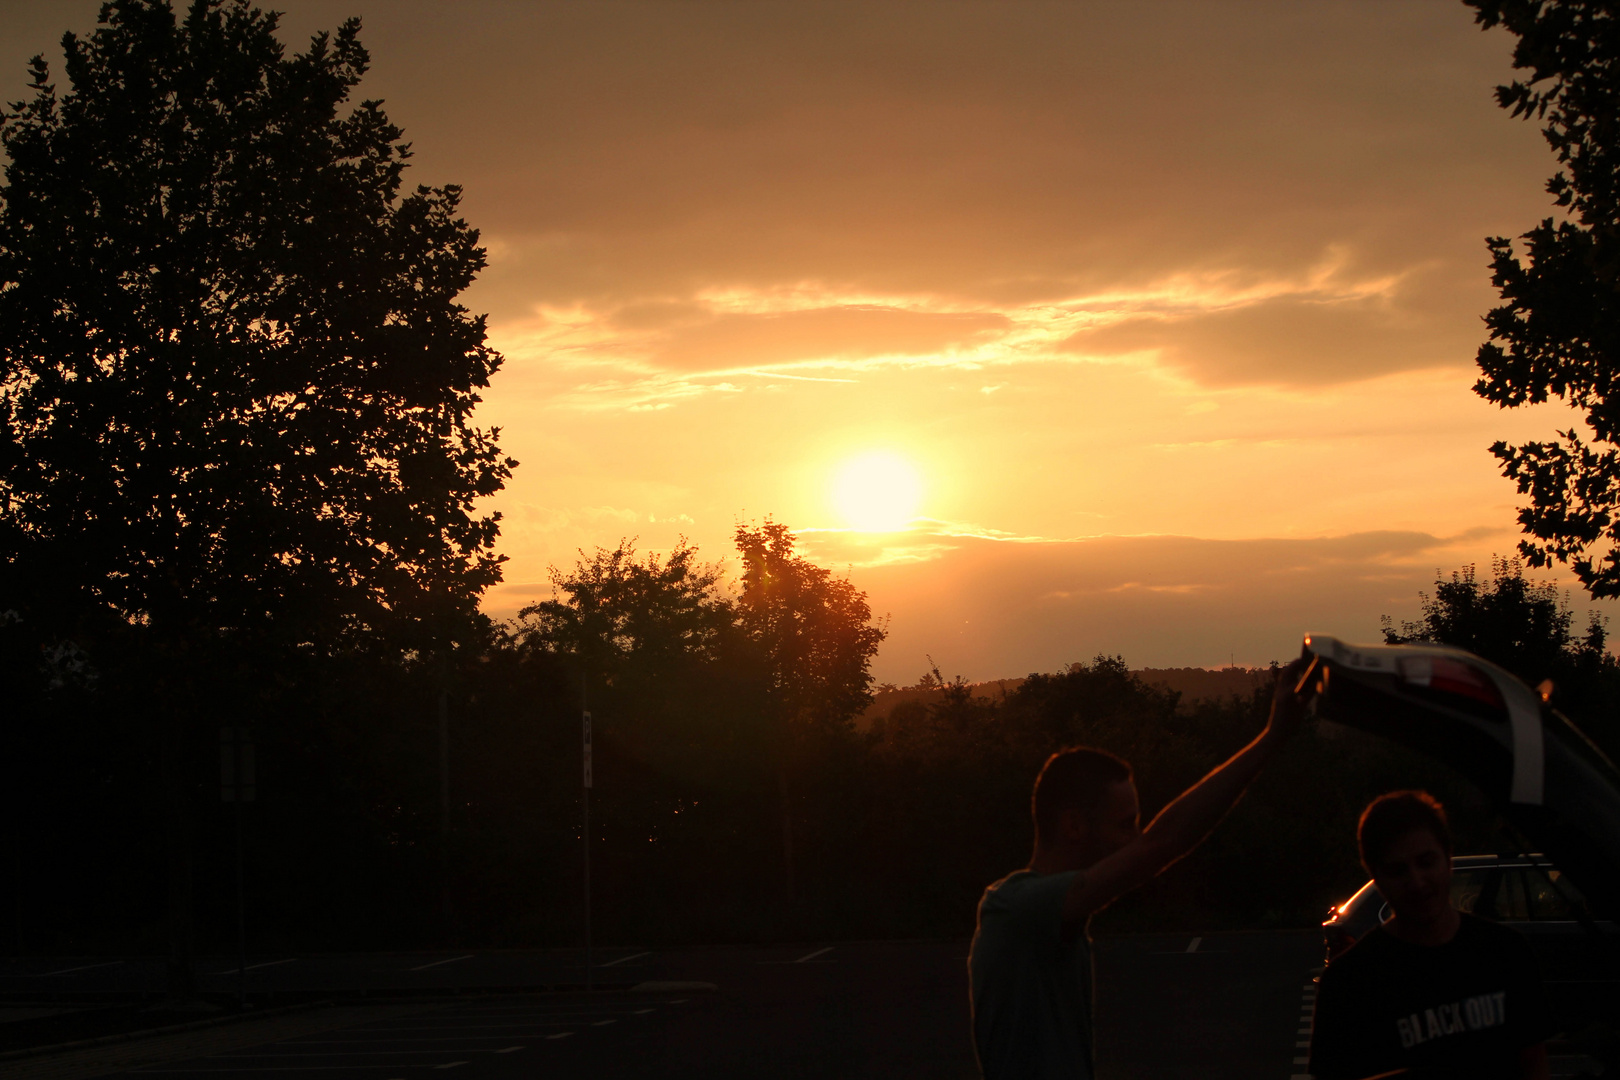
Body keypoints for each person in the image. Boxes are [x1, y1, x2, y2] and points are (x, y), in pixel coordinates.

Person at [968, 660, 1312, 1080]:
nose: (1134, 839)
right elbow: (1161, 843)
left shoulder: (1052, 919)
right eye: (1123, 825)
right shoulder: (1015, 909)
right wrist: (1271, 738)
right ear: (1074, 825)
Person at [1308, 791, 1555, 1080]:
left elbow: (1533, 1061)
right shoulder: (1349, 983)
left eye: (1426, 862)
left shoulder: (1507, 953)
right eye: (1398, 870)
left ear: (1448, 859)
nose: (1416, 882)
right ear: (1375, 876)